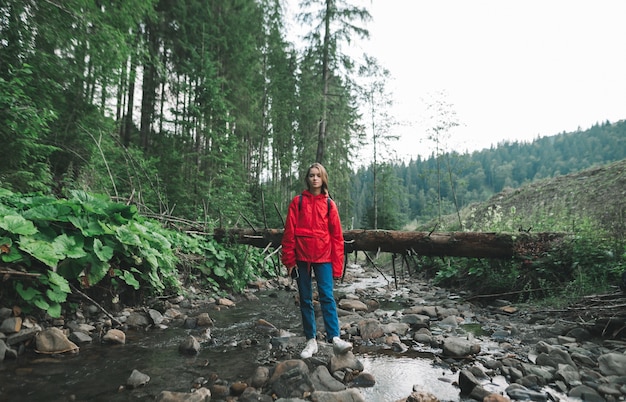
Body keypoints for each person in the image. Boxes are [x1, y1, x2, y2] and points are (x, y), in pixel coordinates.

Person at [281, 163, 353, 359]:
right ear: (308, 179)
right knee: (305, 299)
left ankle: (335, 338)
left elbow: (337, 238)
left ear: (323, 179)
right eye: (311, 175)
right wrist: (289, 261)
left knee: (327, 297)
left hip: (324, 258)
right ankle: (310, 340)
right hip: (301, 258)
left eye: (318, 175)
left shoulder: (330, 204)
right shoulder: (298, 202)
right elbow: (289, 234)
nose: (314, 178)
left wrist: (337, 268)